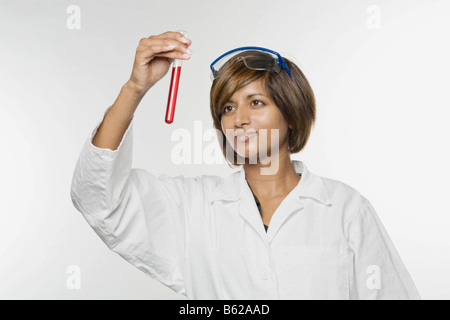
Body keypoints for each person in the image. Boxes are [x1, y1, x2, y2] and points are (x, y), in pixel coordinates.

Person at [70, 31, 421, 299]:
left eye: (256, 102)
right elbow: (98, 197)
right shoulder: (194, 208)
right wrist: (135, 87)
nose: (239, 119)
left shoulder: (345, 209)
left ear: (291, 114)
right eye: (227, 107)